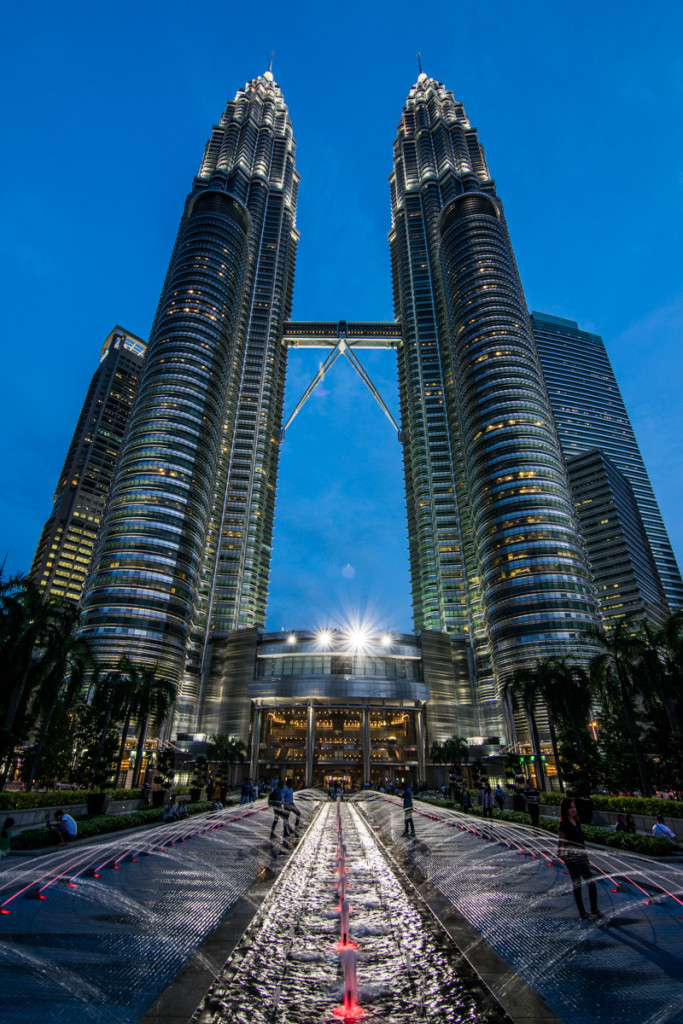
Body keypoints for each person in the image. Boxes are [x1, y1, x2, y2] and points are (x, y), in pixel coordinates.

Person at [558, 798, 603, 920]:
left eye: (574, 807)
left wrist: (586, 856)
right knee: (577, 884)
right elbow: (561, 842)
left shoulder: (577, 822)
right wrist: (564, 857)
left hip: (581, 856)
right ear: (565, 810)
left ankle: (594, 909)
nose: (573, 810)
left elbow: (581, 841)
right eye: (570, 808)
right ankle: (582, 911)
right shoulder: (564, 824)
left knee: (591, 883)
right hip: (572, 858)